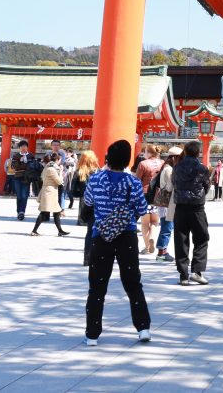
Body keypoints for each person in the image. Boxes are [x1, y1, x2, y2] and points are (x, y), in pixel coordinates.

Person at [82, 139, 152, 346]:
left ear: (108, 157)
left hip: (101, 235)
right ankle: (143, 328)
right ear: (127, 160)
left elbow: (88, 202)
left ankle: (92, 333)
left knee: (97, 285)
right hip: (126, 235)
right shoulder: (133, 182)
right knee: (132, 283)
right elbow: (141, 209)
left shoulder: (95, 179)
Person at [172, 140, 212, 286]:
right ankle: (197, 271)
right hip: (197, 207)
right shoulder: (202, 168)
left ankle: (183, 275)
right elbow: (206, 186)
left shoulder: (177, 167)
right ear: (198, 153)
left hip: (181, 206)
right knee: (201, 238)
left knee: (181, 240)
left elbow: (174, 183)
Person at [134, 145, 164, 254]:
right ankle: (152, 238)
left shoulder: (143, 164)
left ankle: (147, 247)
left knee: (145, 223)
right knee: (155, 221)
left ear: (150, 153)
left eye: (145, 152)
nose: (144, 154)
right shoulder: (162, 163)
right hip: (157, 196)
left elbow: (136, 181)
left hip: (144, 195)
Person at [31, 154, 70, 237]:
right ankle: (34, 230)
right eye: (59, 160)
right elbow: (59, 181)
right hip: (49, 192)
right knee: (44, 212)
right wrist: (61, 173)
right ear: (57, 160)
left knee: (56, 212)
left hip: (50, 192)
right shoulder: (51, 169)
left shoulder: (47, 167)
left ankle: (60, 230)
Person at [155, 146, 181, 263]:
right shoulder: (169, 170)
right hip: (167, 203)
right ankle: (162, 252)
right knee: (167, 227)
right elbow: (170, 187)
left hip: (163, 203)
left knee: (166, 227)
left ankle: (162, 250)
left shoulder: (165, 167)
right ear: (174, 158)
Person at [11, 140, 36, 221]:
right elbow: (13, 166)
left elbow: (33, 166)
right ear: (19, 148)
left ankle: (22, 212)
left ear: (27, 147)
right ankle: (18, 211)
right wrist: (20, 161)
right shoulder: (16, 156)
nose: (23, 148)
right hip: (18, 177)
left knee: (24, 195)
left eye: (25, 146)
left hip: (27, 178)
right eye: (21, 146)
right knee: (19, 195)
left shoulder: (31, 156)